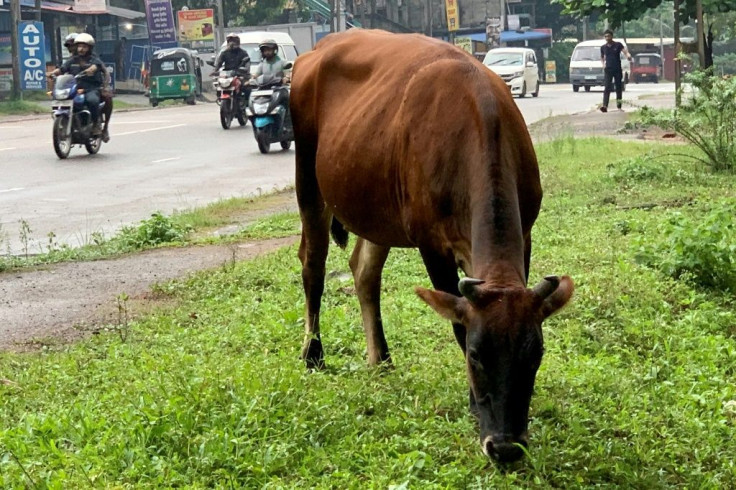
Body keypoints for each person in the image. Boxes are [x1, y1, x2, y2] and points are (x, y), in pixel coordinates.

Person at [50, 33, 105, 136]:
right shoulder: (72, 60)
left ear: (89, 48)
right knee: (62, 99)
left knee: (92, 100)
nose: (81, 49)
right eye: (79, 46)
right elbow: (62, 69)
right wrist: (52, 73)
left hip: (91, 88)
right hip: (76, 88)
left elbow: (96, 66)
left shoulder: (93, 59)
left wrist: (91, 69)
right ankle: (69, 121)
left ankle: (96, 124)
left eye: (84, 47)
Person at [599, 29, 632, 113]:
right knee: (607, 87)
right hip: (608, 69)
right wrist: (603, 65)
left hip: (617, 68)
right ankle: (605, 106)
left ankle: (619, 106)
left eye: (608, 36)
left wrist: (628, 56)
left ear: (611, 36)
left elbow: (625, 52)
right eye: (605, 36)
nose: (607, 38)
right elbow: (602, 57)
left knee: (618, 87)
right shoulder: (603, 47)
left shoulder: (618, 45)